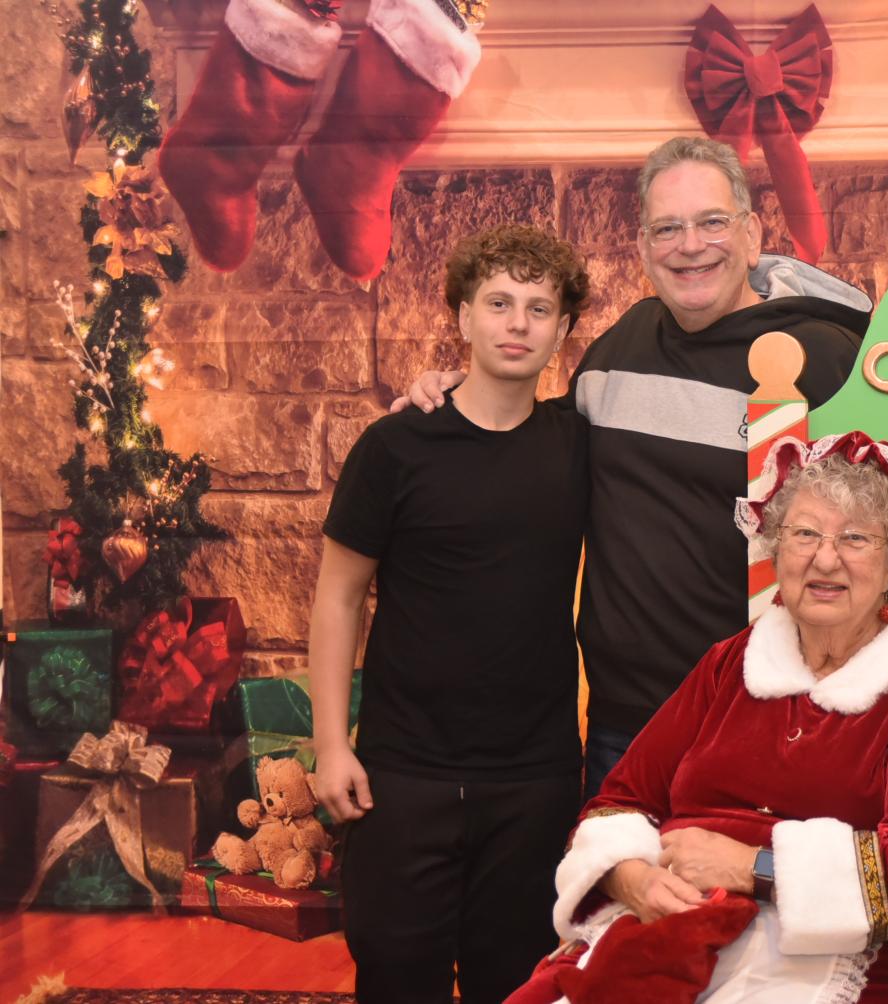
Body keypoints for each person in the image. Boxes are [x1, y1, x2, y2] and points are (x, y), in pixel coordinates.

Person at [398, 137, 870, 797]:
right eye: (667, 229)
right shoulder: (621, 350)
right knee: (612, 868)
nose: (690, 245)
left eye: (711, 222)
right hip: (623, 728)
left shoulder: (824, 359)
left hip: (767, 722)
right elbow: (537, 441)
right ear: (644, 249)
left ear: (752, 235)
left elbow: (879, 536)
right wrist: (459, 391)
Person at [502, 431, 888, 1004]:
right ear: (775, 549)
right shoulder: (733, 661)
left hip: (820, 959)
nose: (826, 559)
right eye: (804, 534)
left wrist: (754, 867)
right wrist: (632, 878)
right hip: (668, 930)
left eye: (855, 538)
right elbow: (617, 802)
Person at [308, 225, 593, 1001]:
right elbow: (338, 597)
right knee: (397, 979)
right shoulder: (395, 447)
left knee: (519, 985)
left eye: (539, 308)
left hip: (534, 780)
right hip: (402, 775)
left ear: (563, 330)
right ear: (463, 316)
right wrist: (330, 744)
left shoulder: (578, 447)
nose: (517, 323)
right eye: (498, 303)